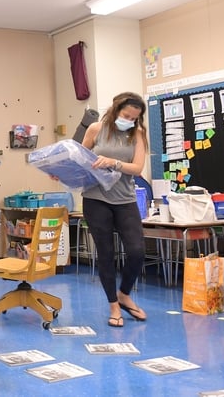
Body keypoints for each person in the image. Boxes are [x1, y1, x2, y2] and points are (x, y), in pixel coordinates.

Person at [80, 92, 149, 328]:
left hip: (125, 199)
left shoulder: (138, 134)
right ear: (116, 109)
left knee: (137, 251)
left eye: (134, 118)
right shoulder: (95, 130)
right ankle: (113, 305)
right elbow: (79, 160)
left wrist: (113, 162)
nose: (129, 120)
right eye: (126, 115)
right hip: (95, 198)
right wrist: (61, 169)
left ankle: (124, 294)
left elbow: (137, 167)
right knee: (106, 253)